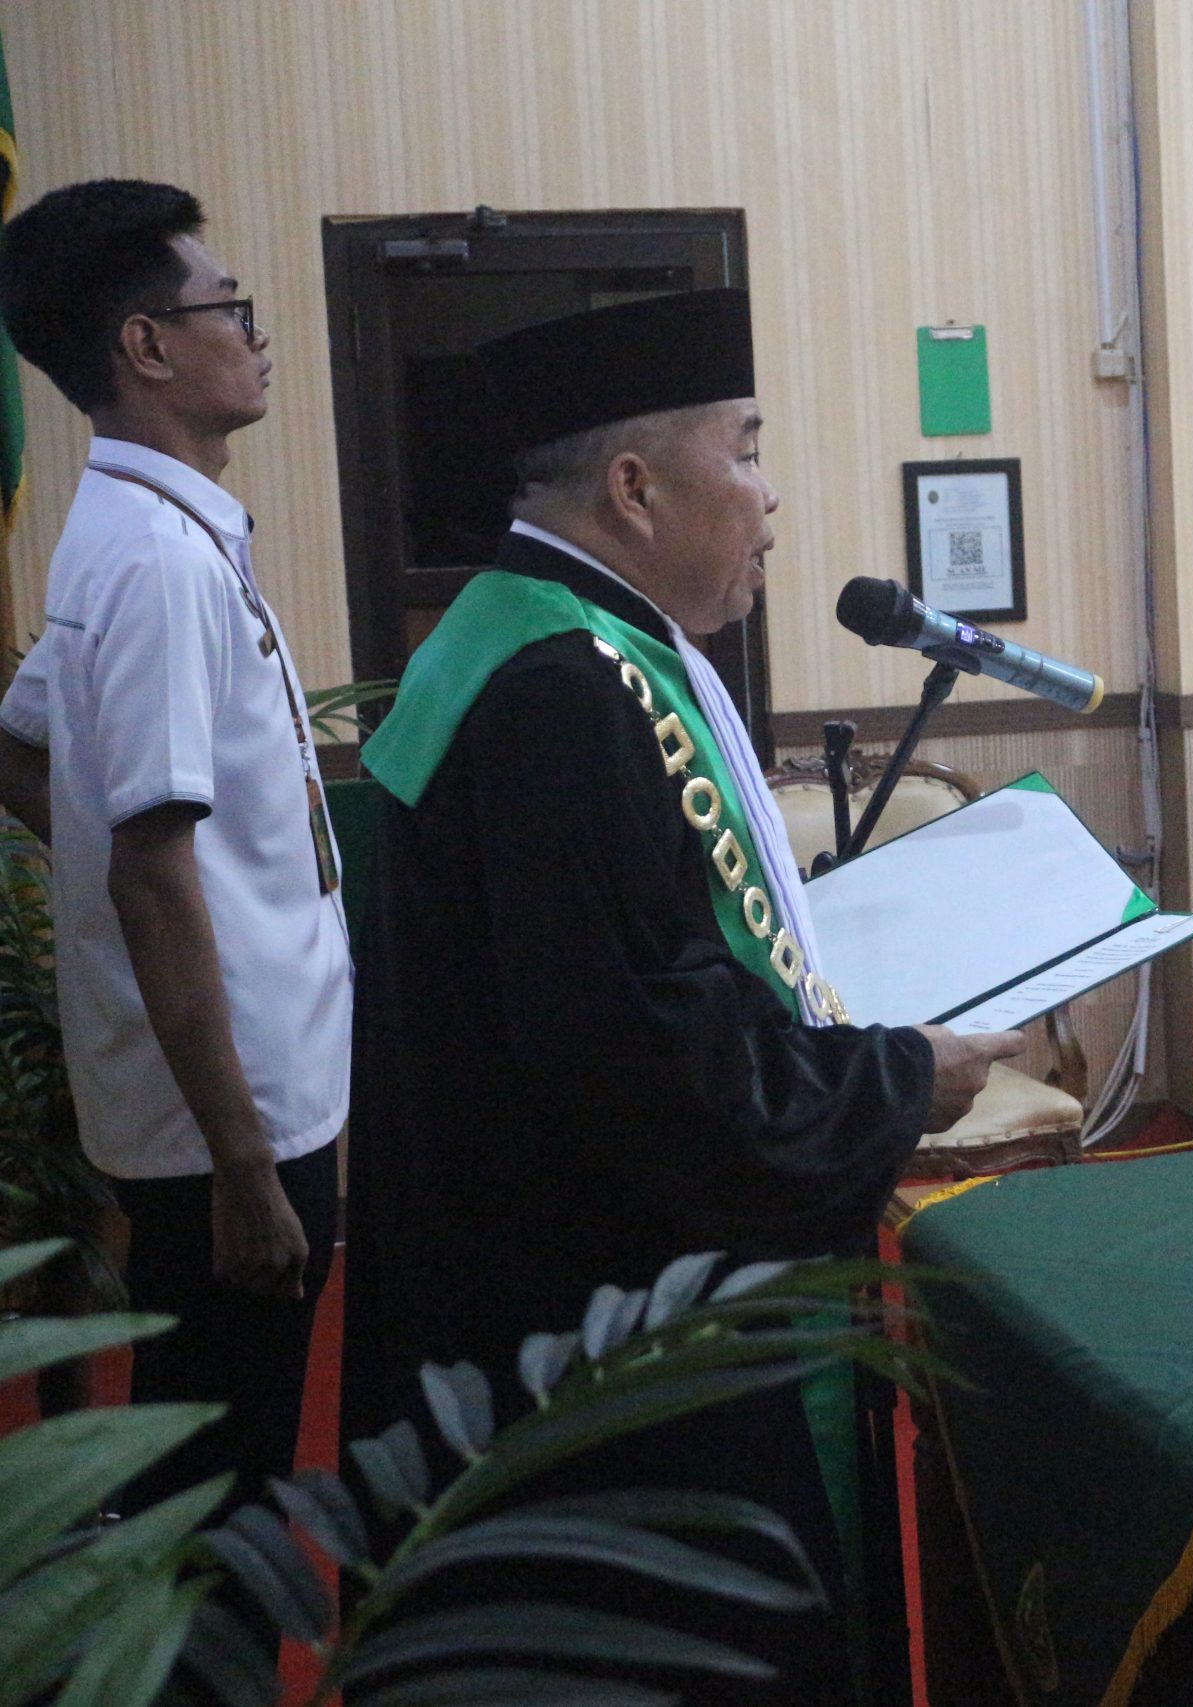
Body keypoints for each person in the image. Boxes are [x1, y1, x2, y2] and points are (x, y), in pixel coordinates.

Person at [342, 287, 1021, 1700]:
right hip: (612, 1347)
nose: (771, 497)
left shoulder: (523, 637)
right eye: (749, 448)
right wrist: (904, 1079)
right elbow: (644, 1066)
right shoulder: (564, 695)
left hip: (516, 1286)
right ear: (635, 487)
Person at [0, 179, 347, 1518]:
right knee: (219, 1494)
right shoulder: (158, 562)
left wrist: (96, 855)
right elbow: (151, 873)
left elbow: (23, 745)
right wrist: (245, 1166)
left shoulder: (149, 529)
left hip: (235, 1093)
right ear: (145, 345)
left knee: (207, 1461)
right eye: (230, 308)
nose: (255, 336)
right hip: (229, 1121)